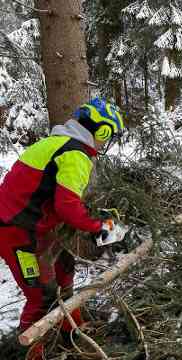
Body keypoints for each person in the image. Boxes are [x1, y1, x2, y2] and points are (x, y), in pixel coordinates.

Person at [0, 97, 125, 359]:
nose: (106, 142)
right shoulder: (75, 153)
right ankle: (32, 352)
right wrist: (98, 227)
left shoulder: (58, 142)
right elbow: (67, 206)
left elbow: (57, 198)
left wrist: (94, 219)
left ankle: (73, 330)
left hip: (35, 228)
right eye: (108, 136)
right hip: (16, 232)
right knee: (41, 296)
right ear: (101, 131)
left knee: (65, 271)